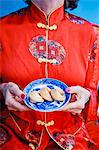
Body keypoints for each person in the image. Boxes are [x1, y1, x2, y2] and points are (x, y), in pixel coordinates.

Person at [0, 0, 99, 149]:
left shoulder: (91, 33)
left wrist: (86, 98)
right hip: (11, 135)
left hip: (72, 137)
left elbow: (92, 93)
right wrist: (1, 91)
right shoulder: (2, 28)